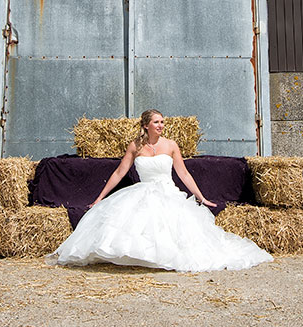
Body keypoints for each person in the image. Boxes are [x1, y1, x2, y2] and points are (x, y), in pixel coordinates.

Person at [45, 109, 273, 272]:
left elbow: (184, 174)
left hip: (167, 192)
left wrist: (201, 197)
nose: (161, 125)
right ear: (146, 125)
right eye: (157, 122)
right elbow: (118, 173)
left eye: (162, 122)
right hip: (142, 191)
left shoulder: (171, 145)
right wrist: (98, 198)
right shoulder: (136, 146)